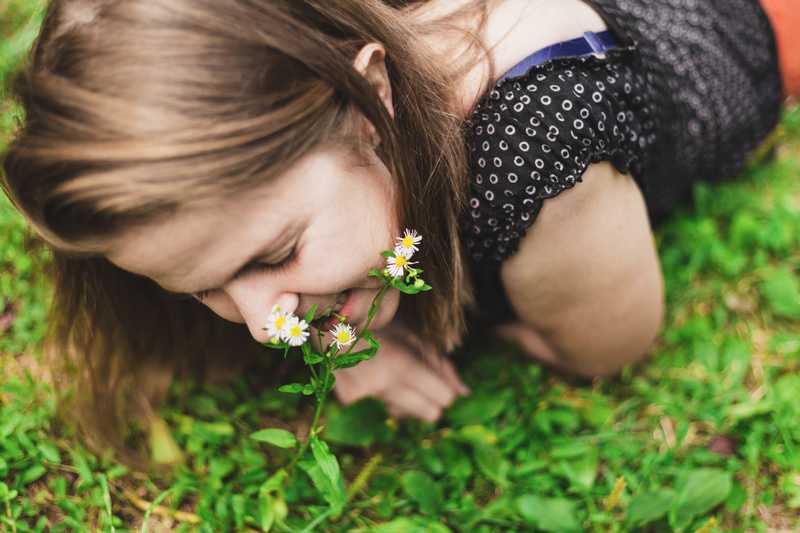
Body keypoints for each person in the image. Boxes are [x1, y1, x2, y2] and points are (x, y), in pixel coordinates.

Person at [0, 0, 796, 455]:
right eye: (205, 286)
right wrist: (342, 336)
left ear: (370, 106)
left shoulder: (534, 160)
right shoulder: (298, 39)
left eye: (277, 253)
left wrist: (431, 318)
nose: (265, 325)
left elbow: (608, 342)